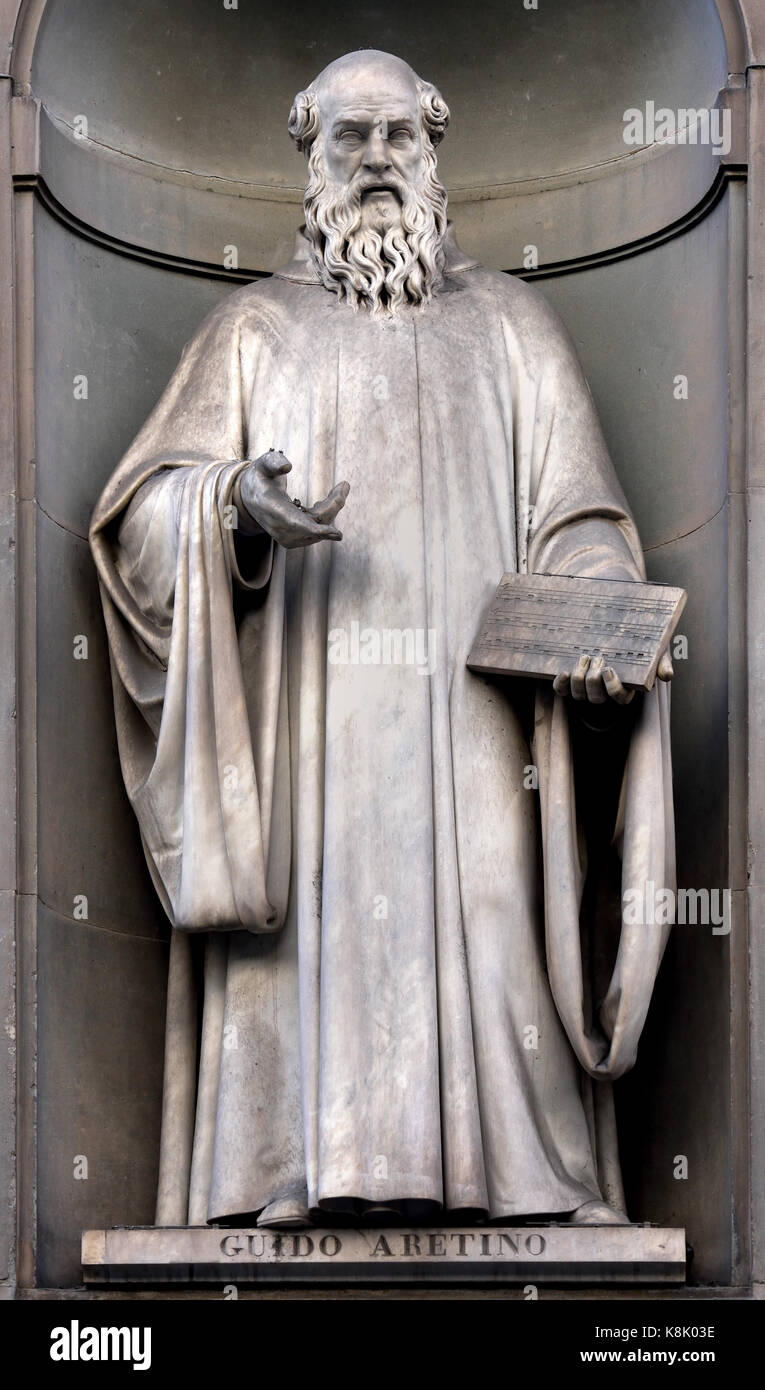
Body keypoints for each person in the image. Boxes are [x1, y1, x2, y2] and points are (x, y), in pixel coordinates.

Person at [90, 49, 676, 1230]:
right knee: (313, 934)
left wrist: (605, 626)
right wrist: (229, 509)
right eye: (346, 139)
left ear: (434, 151)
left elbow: (582, 525)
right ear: (309, 158)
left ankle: (523, 1177)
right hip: (313, 744)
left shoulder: (517, 329)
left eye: (395, 137)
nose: (371, 162)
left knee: (501, 923)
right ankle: (287, 1163)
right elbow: (135, 523)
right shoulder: (252, 332)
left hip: (481, 739)